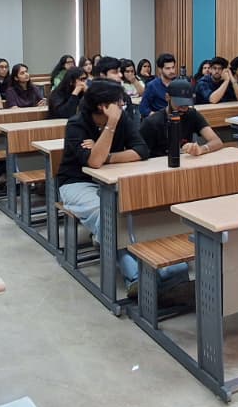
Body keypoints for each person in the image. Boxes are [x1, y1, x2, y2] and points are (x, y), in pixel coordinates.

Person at [56, 79, 151, 291]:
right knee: (107, 215)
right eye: (118, 102)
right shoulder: (76, 124)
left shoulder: (122, 118)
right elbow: (93, 162)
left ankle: (107, 241)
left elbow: (141, 150)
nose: (122, 105)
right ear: (103, 106)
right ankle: (135, 277)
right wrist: (110, 126)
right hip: (77, 183)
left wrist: (107, 156)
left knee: (136, 211)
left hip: (109, 180)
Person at [140, 78, 222, 159]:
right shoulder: (152, 123)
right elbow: (140, 153)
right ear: (167, 97)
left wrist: (201, 149)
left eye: (186, 104)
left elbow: (217, 141)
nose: (183, 109)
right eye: (179, 104)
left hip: (185, 162)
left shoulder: (192, 114)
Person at [138, 52, 178, 117]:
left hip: (177, 117)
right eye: (168, 68)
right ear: (160, 69)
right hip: (159, 119)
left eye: (173, 67)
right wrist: (158, 117)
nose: (172, 71)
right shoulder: (152, 86)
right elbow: (143, 108)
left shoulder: (179, 83)